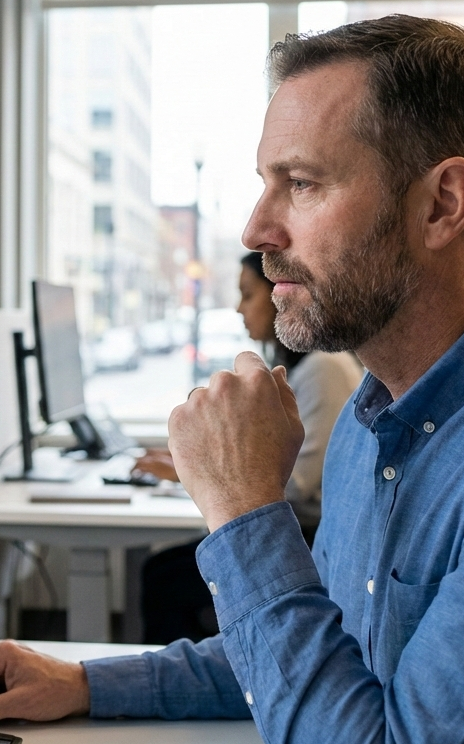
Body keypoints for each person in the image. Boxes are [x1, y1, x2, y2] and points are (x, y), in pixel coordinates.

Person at [0, 15, 464, 743]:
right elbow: (309, 657)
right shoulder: (376, 415)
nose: (255, 229)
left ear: (443, 203)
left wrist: (242, 509)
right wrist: (82, 682)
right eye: (266, 184)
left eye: (300, 183)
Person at [136, 252, 361, 644]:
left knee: (165, 579)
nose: (240, 308)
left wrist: (203, 471)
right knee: (161, 570)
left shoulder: (323, 368)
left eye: (247, 294)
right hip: (300, 527)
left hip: (309, 534)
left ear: (281, 293)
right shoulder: (297, 366)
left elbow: (293, 486)